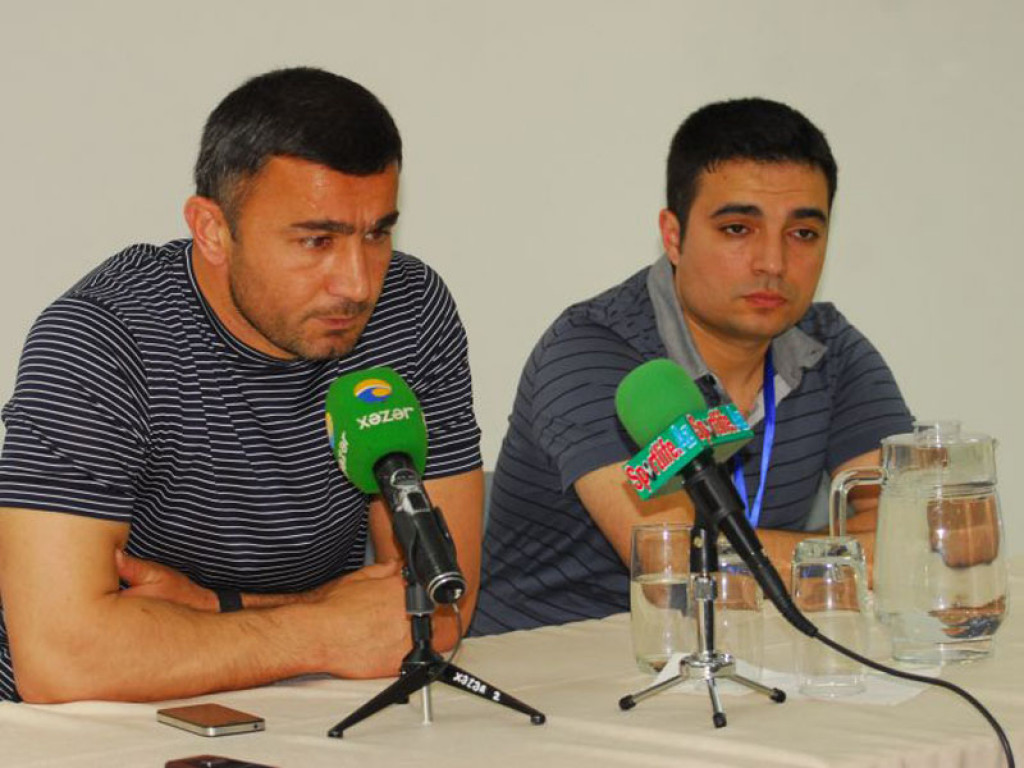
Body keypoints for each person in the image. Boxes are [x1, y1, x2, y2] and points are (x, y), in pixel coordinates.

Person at [0, 67, 484, 702]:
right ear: (212, 230)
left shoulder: (409, 311)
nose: (358, 283)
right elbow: (60, 659)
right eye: (316, 240)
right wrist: (322, 631)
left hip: (301, 703)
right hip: (86, 726)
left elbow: (440, 603)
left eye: (377, 233)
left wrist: (217, 607)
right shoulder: (104, 338)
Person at [472, 98, 913, 635]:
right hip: (554, 664)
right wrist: (853, 556)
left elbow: (928, 538)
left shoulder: (830, 348)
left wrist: (770, 558)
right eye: (737, 229)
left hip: (748, 651)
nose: (773, 263)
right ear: (674, 236)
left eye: (803, 234)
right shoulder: (593, 352)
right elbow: (675, 568)